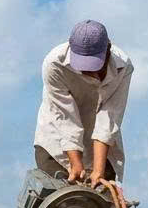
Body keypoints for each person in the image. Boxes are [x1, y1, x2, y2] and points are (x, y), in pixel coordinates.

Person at [34, 20, 132, 188]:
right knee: (61, 201)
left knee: (104, 204)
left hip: (101, 148)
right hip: (57, 143)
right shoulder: (54, 65)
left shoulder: (123, 67)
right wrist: (75, 164)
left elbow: (109, 117)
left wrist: (98, 169)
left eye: (93, 65)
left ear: (108, 49)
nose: (89, 71)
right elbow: (66, 117)